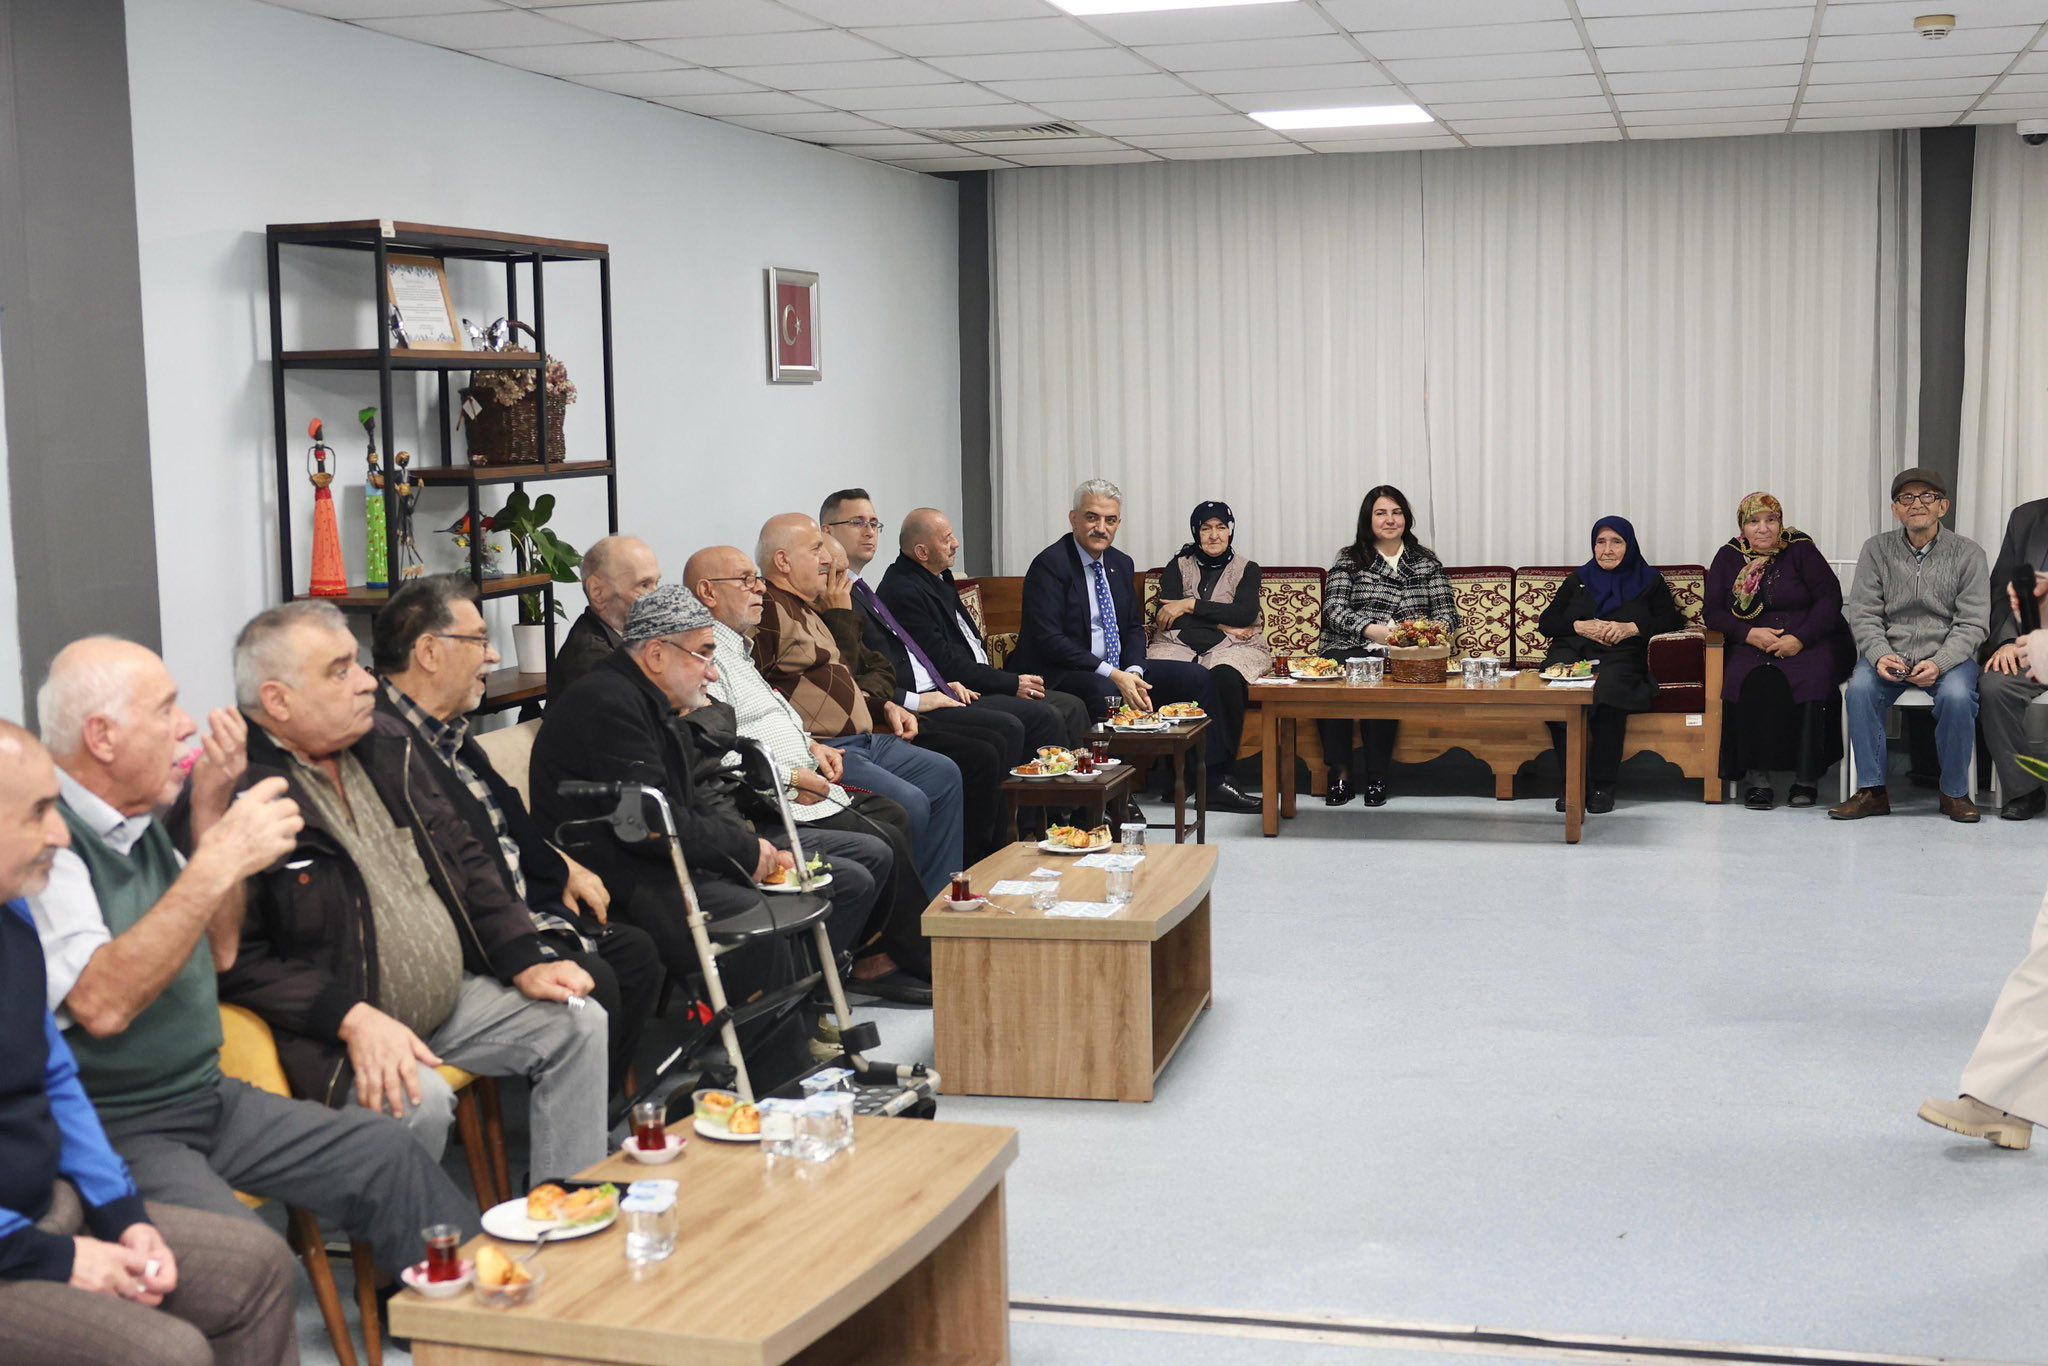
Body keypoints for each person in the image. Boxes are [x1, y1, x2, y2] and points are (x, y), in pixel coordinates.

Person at [23, 637, 475, 1292]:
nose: (186, 726)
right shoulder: (49, 850)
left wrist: (209, 813)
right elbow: (102, 1004)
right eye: (165, 710)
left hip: (209, 1096)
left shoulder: (138, 822)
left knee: (388, 1154)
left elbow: (221, 950)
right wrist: (215, 862)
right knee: (254, 1264)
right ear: (102, 737)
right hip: (121, 1125)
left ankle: (466, 1324)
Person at [225, 602, 609, 1184]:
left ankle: (565, 1209)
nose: (366, 682)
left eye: (357, 664)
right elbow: (240, 962)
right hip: (337, 1031)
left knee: (578, 1021)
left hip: (449, 1001)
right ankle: (411, 1246)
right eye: (339, 671)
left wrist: (523, 956)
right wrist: (350, 1018)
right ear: (277, 701)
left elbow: (468, 860)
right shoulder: (238, 795)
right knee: (418, 1099)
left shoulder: (384, 742)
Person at [0, 719, 301, 1366]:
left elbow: (54, 1080)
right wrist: (59, 1258)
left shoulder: (13, 917)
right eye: (38, 813)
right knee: (169, 1352)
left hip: (49, 1209)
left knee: (258, 1266)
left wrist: (122, 1215)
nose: (61, 835)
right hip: (14, 1248)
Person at [530, 586, 847, 1087]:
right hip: (610, 879)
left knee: (776, 900)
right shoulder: (607, 703)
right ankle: (775, 1085)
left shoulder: (645, 701)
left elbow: (683, 806)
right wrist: (744, 850)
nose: (713, 673)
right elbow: (644, 823)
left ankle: (783, 1060)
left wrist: (754, 850)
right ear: (657, 654)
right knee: (755, 923)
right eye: (703, 654)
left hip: (650, 862)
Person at [373, 574, 663, 1096]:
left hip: (528, 904)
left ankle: (602, 1111)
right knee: (601, 974)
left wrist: (563, 865)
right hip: (474, 934)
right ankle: (580, 1122)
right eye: (479, 640)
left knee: (636, 953)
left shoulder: (451, 734)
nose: (493, 655)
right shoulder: (390, 747)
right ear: (429, 653)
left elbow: (508, 821)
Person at [686, 545, 933, 1002]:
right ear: (707, 592)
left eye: (757, 580)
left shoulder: (738, 647)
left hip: (809, 771)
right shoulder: (707, 656)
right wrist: (794, 778)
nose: (759, 589)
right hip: (771, 800)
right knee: (884, 833)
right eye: (745, 580)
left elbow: (774, 714)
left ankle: (876, 952)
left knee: (893, 814)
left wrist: (811, 746)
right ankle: (909, 958)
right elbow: (725, 749)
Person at [1009, 479, 1261, 814]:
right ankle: (1113, 793)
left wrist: (1133, 670)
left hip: (1115, 666)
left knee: (1198, 678)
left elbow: (1130, 628)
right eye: (1092, 517)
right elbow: (1050, 640)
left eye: (1110, 520)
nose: (1101, 528)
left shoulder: (1120, 563)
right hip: (1064, 670)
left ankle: (1211, 781)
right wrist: (1114, 674)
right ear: (1073, 519)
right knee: (1105, 691)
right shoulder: (1050, 565)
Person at [752, 514, 967, 897]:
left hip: (868, 736)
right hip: (828, 749)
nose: (826, 560)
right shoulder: (768, 608)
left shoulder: (810, 606)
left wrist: (882, 706)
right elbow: (760, 690)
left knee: (944, 774)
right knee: (911, 802)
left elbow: (856, 674)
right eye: (816, 550)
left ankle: (939, 897)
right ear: (783, 561)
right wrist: (840, 617)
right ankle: (909, 913)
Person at [824, 489, 1072, 763]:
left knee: (1058, 709)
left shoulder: (863, 589)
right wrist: (919, 697)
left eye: (874, 523)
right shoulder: (838, 597)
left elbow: (902, 658)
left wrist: (942, 683)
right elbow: (852, 673)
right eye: (857, 522)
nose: (870, 532)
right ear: (827, 531)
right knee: (1018, 726)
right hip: (903, 705)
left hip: (936, 688)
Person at [821, 533, 1006, 863]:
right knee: (983, 750)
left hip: (888, 708)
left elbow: (881, 667)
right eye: (831, 572)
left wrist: (915, 691)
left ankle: (985, 861)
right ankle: (971, 864)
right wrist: (913, 699)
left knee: (1001, 735)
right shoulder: (835, 607)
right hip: (852, 733)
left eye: (875, 523)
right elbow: (844, 680)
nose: (870, 532)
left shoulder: (857, 594)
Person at [1831, 467, 1989, 823]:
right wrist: (1879, 655)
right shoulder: (1876, 549)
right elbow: (1864, 613)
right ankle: (1872, 791)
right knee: (1859, 690)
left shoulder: (1969, 553)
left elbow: (1973, 622)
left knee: (1958, 696)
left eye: (1927, 496)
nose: (1917, 503)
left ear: (1943, 506)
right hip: (1889, 653)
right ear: (1896, 509)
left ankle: (1954, 793)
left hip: (1949, 656)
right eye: (1907, 497)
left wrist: (1941, 662)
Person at [878, 506, 1093, 748]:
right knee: (1046, 716)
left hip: (980, 679)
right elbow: (945, 664)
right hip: (961, 689)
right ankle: (1048, 772)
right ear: (922, 552)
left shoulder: (938, 575)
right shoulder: (903, 591)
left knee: (1073, 706)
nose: (956, 544)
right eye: (947, 539)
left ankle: (1081, 770)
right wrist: (1011, 683)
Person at [1702, 492, 1853, 810]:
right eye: (1754, 521)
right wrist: (1747, 633)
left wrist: (1800, 639)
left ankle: (1806, 778)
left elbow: (1829, 598)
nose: (1763, 528)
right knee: (1745, 680)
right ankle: (1757, 780)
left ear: (1780, 523)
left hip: (1810, 636)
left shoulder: (1800, 549)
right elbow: (1712, 611)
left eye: (1771, 520)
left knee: (1814, 679)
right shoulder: (1729, 556)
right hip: (1752, 639)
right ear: (1742, 527)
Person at [1316, 486, 1460, 807]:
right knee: (1334, 681)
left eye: (1396, 512)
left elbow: (1448, 615)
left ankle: (1377, 776)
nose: (1390, 520)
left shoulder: (1425, 561)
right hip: (1350, 643)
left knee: (1383, 679)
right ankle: (1340, 772)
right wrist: (1373, 631)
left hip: (1406, 651)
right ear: (1368, 520)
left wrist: (1419, 635)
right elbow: (1334, 610)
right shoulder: (1350, 558)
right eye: (1381, 513)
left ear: (1406, 518)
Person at [1537, 517, 1685, 814]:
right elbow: (1547, 623)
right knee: (1560, 694)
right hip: (1572, 651)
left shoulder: (1649, 580)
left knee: (1608, 692)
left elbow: (1672, 619)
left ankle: (1603, 786)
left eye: (1616, 542)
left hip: (1621, 654)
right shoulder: (1578, 579)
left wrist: (1633, 627)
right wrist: (1578, 625)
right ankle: (1572, 785)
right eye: (1600, 542)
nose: (1607, 550)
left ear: (1629, 546)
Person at [1148, 500, 1268, 792]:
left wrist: (1190, 605)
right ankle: (1178, 773)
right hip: (1179, 643)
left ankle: (1220, 775)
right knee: (1167, 671)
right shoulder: (1177, 566)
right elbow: (1169, 619)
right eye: (1206, 528)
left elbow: (1244, 615)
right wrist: (1221, 624)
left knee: (1224, 676)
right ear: (1195, 532)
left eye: (1221, 527)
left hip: (1236, 646)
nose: (1214, 535)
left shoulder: (1248, 569)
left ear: (1230, 531)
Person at [1978, 493, 2048, 819]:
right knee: (1995, 686)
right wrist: (2007, 641)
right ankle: (2025, 789)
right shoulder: (2026, 518)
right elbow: (2001, 591)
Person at [554, 534, 662, 695]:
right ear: (597, 592)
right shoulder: (594, 661)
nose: (657, 598)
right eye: (644, 585)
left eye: (657, 583)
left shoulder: (634, 640)